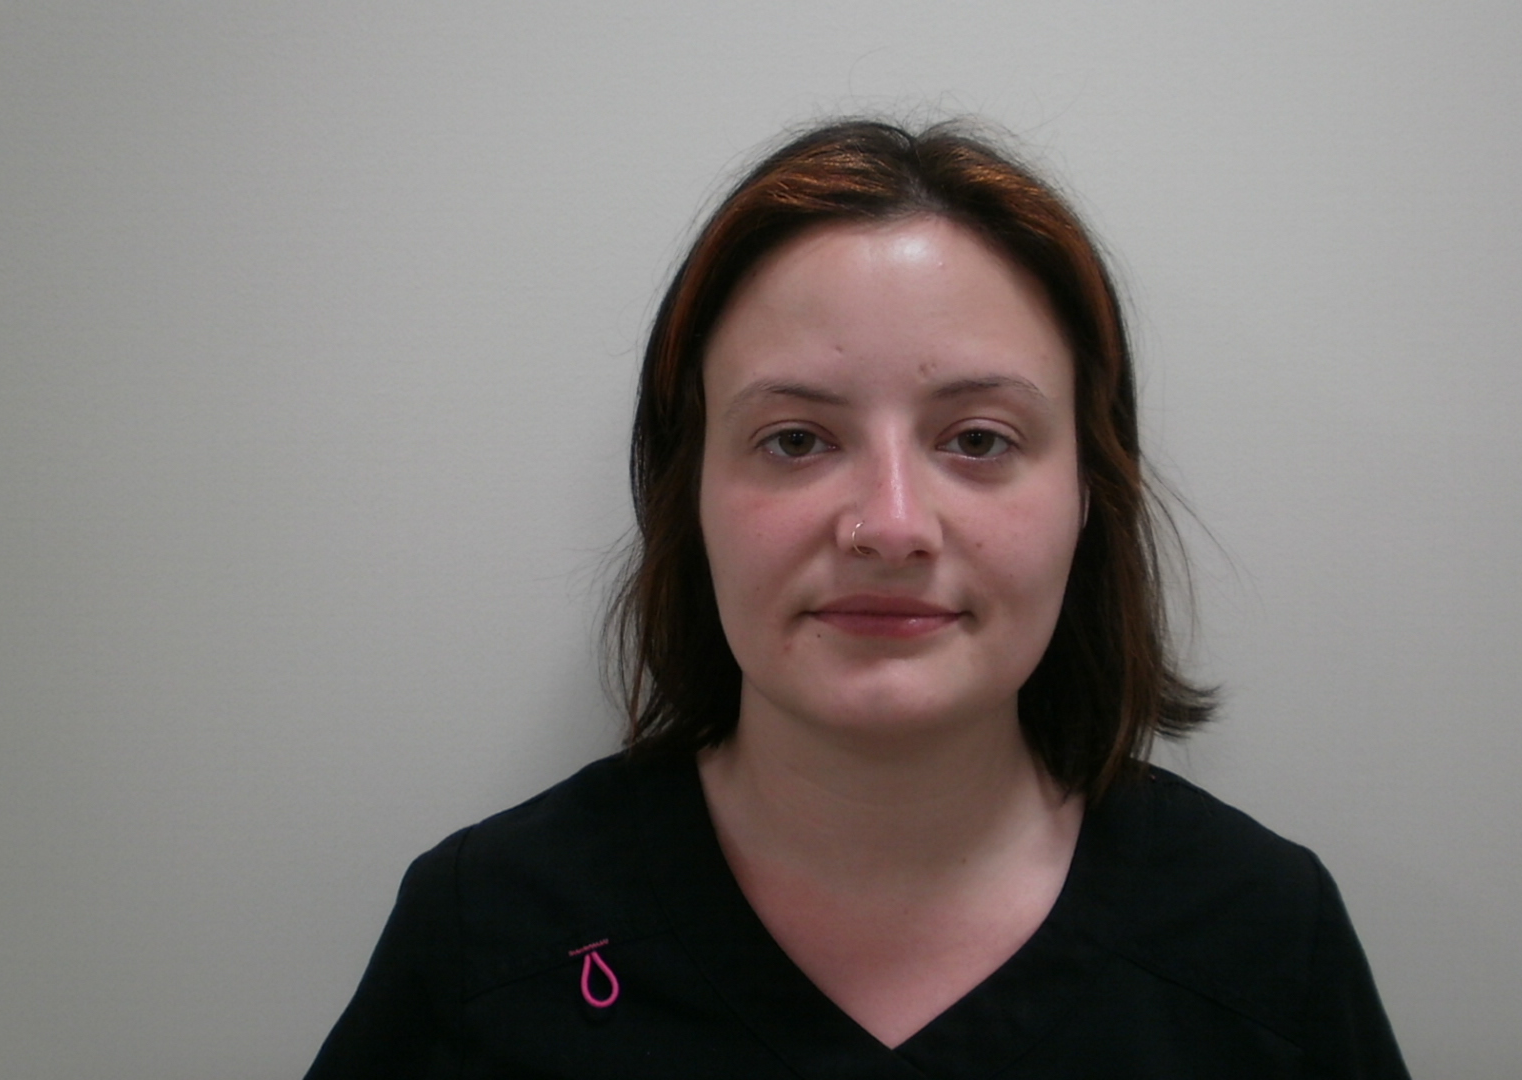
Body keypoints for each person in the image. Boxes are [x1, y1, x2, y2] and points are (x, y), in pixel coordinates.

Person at [306, 119, 1410, 1078]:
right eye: (796, 440)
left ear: (1089, 493)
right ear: (691, 495)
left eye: (980, 439)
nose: (889, 524)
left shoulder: (1263, 940)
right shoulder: (489, 936)